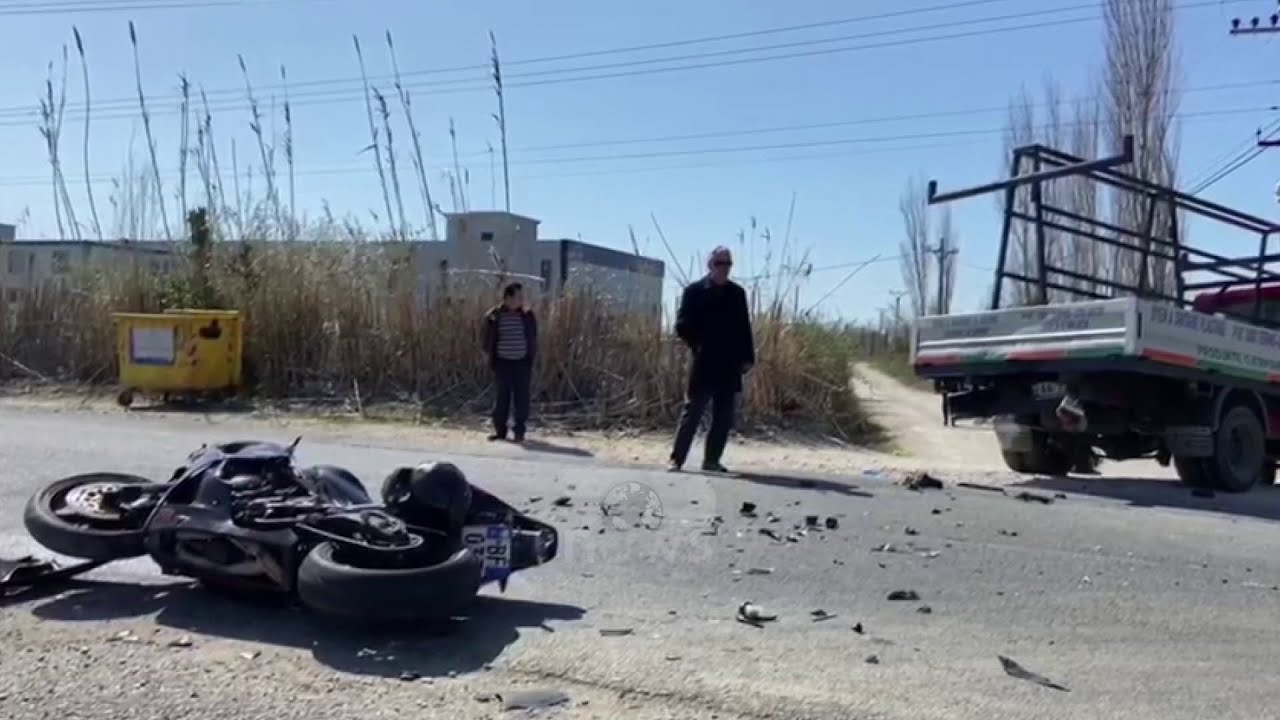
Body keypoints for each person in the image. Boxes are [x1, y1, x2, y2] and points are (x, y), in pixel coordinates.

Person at [668, 246, 755, 472]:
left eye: (728, 264)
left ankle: (712, 461)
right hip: (704, 362)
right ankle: (677, 459)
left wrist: (748, 357)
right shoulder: (695, 291)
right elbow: (682, 325)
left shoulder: (737, 294)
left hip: (730, 363)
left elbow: (744, 328)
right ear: (710, 265)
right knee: (693, 411)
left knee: (723, 416)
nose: (724, 268)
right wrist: (698, 344)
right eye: (719, 263)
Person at [481, 282, 537, 442]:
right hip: (502, 364)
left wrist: (531, 356)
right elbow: (486, 337)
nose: (521, 300)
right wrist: (489, 355)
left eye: (522, 297)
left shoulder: (527, 315)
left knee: (522, 399)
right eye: (518, 297)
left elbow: (533, 336)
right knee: (502, 398)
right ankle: (500, 431)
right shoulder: (494, 316)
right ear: (508, 298)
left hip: (522, 363)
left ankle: (519, 432)